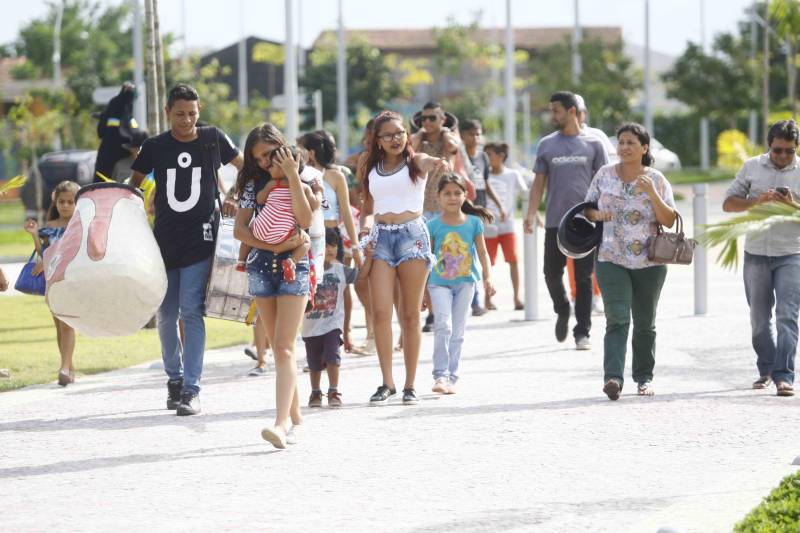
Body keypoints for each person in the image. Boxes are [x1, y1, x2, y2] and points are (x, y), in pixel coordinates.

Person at [130, 83, 243, 416]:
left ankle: (192, 387)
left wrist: (233, 196)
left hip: (201, 239)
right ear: (167, 112)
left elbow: (244, 166)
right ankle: (174, 379)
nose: (186, 120)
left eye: (192, 113)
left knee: (191, 310)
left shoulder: (212, 138)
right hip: (163, 241)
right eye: (179, 114)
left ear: (200, 110)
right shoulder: (154, 146)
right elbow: (131, 186)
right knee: (166, 314)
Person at [234, 123, 322, 449]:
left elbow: (306, 220)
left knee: (284, 346)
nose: (266, 162)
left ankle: (281, 422)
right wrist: (270, 247)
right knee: (277, 346)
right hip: (261, 266)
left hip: (294, 267)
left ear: (283, 147)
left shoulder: (309, 176)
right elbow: (240, 231)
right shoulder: (252, 185)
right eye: (259, 159)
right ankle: (296, 417)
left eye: (271, 154)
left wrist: (292, 175)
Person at [358, 110, 450, 405]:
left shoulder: (415, 161)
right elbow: (368, 207)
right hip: (380, 238)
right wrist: (364, 234)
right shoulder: (368, 165)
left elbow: (426, 162)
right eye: (388, 135)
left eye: (400, 133)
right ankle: (388, 382)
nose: (395, 139)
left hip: (413, 236)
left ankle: (410, 384)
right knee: (381, 312)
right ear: (378, 140)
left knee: (410, 314)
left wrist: (435, 162)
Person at [584, 123, 676, 400]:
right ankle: (613, 377)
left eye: (630, 143)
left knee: (645, 323)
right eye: (621, 142)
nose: (623, 147)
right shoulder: (604, 174)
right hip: (610, 257)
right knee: (617, 318)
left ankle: (644, 378)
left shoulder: (657, 179)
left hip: (650, 261)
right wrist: (597, 216)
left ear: (644, 148)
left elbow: (669, 220)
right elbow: (587, 207)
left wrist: (652, 194)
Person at [524, 91, 608, 350]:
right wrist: (530, 212)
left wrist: (605, 215)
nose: (552, 116)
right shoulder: (547, 144)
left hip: (586, 222)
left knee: (584, 278)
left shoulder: (594, 143)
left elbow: (605, 182)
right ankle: (562, 308)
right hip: (554, 222)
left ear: (572, 111)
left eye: (556, 111)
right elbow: (539, 183)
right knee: (551, 273)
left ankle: (582, 332)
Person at [723, 119, 800, 397]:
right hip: (756, 253)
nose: (782, 156)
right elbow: (728, 203)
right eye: (778, 150)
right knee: (759, 320)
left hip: (791, 253)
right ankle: (766, 369)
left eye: (789, 151)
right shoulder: (752, 167)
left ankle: (784, 375)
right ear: (769, 145)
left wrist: (792, 203)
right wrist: (757, 201)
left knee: (787, 316)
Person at [298, 131, 366, 354]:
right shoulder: (300, 175)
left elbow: (346, 211)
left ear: (311, 152)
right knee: (312, 288)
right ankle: (315, 342)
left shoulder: (335, 176)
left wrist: (355, 247)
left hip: (332, 235)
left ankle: (343, 335)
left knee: (338, 287)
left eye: (301, 148)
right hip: (308, 236)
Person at [427, 174, 494, 394]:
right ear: (438, 197)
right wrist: (422, 292)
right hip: (439, 283)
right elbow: (426, 260)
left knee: (458, 332)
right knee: (443, 327)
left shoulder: (474, 223)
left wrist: (488, 277)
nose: (453, 197)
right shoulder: (432, 225)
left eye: (457, 193)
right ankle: (440, 376)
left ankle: (452, 377)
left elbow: (483, 253)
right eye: (447, 193)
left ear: (465, 196)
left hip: (466, 283)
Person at [23, 180, 80, 386]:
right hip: (52, 281)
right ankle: (69, 365)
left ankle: (64, 369)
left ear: (77, 204)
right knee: (59, 325)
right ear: (55, 203)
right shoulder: (50, 227)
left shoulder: (79, 226)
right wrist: (35, 237)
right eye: (61, 202)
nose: (65, 206)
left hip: (70, 279)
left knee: (66, 324)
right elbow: (42, 252)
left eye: (70, 202)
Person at [411, 102, 460, 333]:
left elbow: (454, 147)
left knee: (447, 262)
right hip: (421, 211)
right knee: (425, 264)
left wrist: (446, 132)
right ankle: (432, 313)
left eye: (432, 118)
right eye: (423, 119)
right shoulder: (418, 141)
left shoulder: (447, 140)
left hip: (443, 211)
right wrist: (420, 133)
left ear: (442, 120)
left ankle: (449, 308)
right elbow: (408, 149)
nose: (426, 122)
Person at [235, 145, 310, 281]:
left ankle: (241, 261)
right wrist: (318, 192)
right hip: (283, 234)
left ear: (283, 166)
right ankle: (291, 262)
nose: (266, 165)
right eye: (257, 159)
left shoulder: (272, 184)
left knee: (251, 227)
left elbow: (260, 199)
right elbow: (314, 205)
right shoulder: (303, 187)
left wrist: (265, 193)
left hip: (260, 229)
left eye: (270, 162)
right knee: (306, 241)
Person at [303, 228, 359, 408]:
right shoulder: (305, 272)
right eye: (325, 245)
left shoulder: (341, 270)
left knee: (333, 356)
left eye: (333, 245)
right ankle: (315, 392)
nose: (330, 249)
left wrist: (363, 256)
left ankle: (333, 390)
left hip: (332, 325)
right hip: (310, 326)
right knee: (314, 363)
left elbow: (363, 276)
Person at [460, 119, 505, 316]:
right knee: (463, 253)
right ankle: (473, 300)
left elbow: (485, 183)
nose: (475, 138)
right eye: (471, 133)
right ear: (462, 135)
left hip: (479, 211)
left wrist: (499, 205)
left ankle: (477, 300)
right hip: (462, 210)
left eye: (478, 134)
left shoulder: (483, 158)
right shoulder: (459, 156)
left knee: (478, 254)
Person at [483, 142, 528, 311]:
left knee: (513, 260)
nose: (486, 158)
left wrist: (532, 215)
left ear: (501, 156)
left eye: (489, 154)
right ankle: (487, 299)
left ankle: (517, 297)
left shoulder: (513, 175)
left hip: (508, 226)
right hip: (488, 227)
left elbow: (526, 195)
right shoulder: (483, 176)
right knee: (488, 263)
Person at [95, 82, 140, 182]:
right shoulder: (121, 108)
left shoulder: (119, 107)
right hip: (110, 157)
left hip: (110, 156)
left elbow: (101, 131)